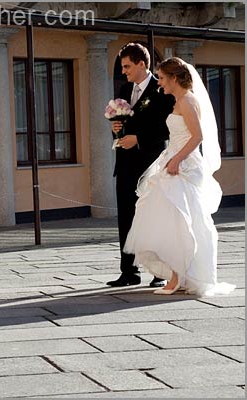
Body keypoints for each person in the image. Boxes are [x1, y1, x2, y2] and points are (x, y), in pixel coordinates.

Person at [123, 57, 235, 296]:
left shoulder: (188, 101)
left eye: (162, 78)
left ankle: (178, 278)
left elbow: (197, 136)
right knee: (170, 219)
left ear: (174, 78)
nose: (159, 83)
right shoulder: (177, 101)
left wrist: (176, 160)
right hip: (172, 161)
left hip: (183, 166)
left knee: (182, 219)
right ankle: (177, 275)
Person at [107, 43, 175, 287]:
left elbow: (167, 128)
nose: (123, 71)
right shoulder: (125, 89)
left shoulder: (162, 89)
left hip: (151, 164)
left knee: (153, 217)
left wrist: (138, 139)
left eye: (127, 66)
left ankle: (160, 272)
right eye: (122, 66)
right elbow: (123, 121)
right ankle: (129, 272)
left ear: (141, 64)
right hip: (125, 164)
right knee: (126, 217)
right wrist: (117, 128)